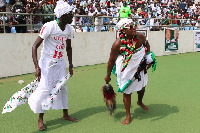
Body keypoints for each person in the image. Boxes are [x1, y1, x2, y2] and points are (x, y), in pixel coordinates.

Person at [28, 0, 77, 130]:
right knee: (45, 89)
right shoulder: (49, 26)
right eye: (70, 14)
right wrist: (37, 67)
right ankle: (40, 119)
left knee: (63, 88)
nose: (72, 16)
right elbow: (34, 46)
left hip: (60, 63)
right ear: (62, 15)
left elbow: (69, 48)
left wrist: (70, 65)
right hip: (46, 63)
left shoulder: (69, 28)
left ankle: (65, 114)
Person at [105, 18, 154, 125]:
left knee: (142, 86)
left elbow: (147, 45)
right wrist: (108, 75)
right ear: (123, 30)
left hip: (140, 66)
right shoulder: (117, 44)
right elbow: (111, 60)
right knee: (127, 91)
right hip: (126, 69)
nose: (134, 28)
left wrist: (148, 57)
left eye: (134, 25)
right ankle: (128, 115)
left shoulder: (140, 36)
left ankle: (140, 101)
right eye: (131, 27)